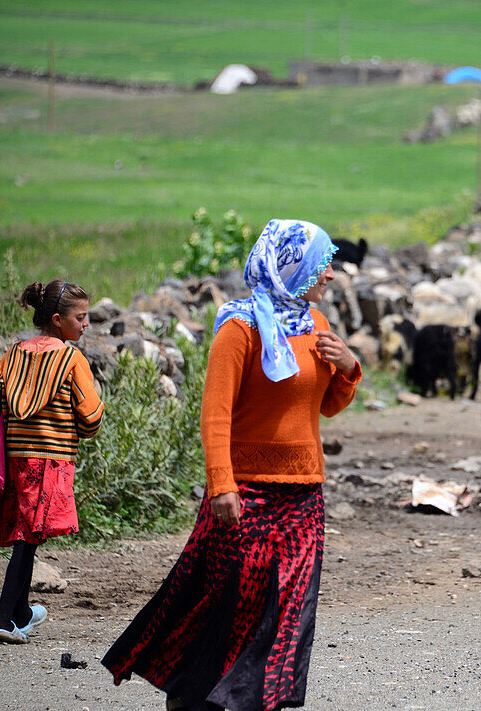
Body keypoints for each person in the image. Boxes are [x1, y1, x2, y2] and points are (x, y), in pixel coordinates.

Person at [103, 219, 361, 710]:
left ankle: (256, 700)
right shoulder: (239, 328)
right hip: (244, 492)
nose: (330, 275)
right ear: (293, 266)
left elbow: (323, 406)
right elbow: (215, 414)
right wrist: (222, 484)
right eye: (323, 264)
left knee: (289, 607)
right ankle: (191, 692)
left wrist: (348, 368)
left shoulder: (317, 326)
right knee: (227, 600)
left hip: (304, 491)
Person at [0, 279, 104, 644]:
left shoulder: (16, 353)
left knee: (26, 534)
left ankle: (22, 613)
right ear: (59, 320)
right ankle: (2, 618)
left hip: (16, 459)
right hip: (51, 460)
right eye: (81, 317)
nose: (87, 324)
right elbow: (92, 419)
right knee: (28, 539)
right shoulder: (70, 359)